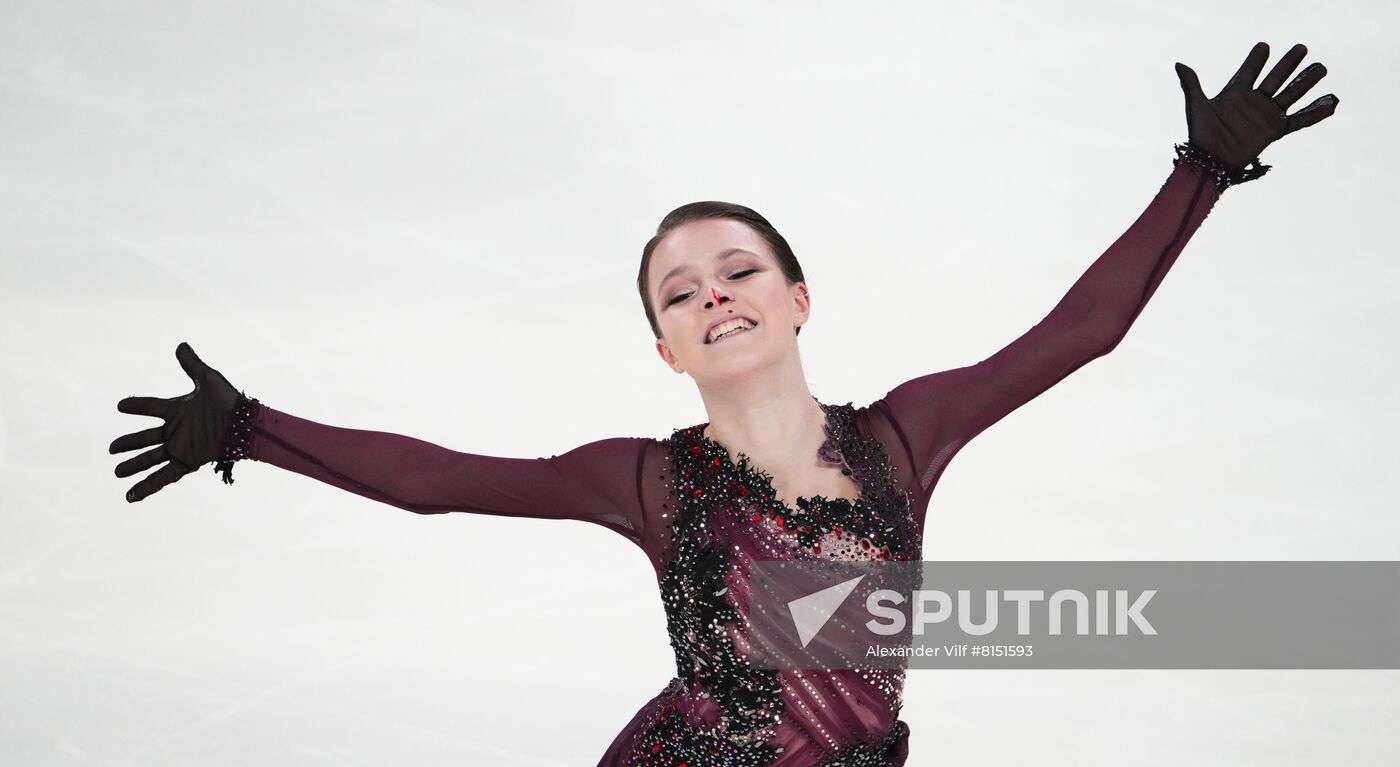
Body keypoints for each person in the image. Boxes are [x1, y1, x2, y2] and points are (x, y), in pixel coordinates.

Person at [110, 42, 1337, 767]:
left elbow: (1082, 331)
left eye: (738, 269)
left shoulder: (902, 438)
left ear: (799, 298)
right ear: (665, 349)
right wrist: (252, 429)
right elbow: (438, 482)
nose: (715, 295)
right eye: (680, 292)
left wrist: (1203, 172)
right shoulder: (644, 478)